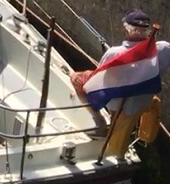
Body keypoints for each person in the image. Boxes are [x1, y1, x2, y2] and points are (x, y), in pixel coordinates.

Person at [71, 9, 170, 158]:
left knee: (77, 79)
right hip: (143, 101)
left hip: (121, 106)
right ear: (149, 31)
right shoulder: (163, 50)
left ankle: (100, 123)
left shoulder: (115, 53)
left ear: (125, 30)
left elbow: (98, 80)